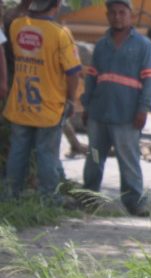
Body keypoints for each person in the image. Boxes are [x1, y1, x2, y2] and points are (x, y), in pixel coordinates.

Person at [80, 0, 151, 216]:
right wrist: (86, 105)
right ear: (107, 15)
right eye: (113, 13)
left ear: (130, 15)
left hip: (127, 115)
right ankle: (90, 197)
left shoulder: (143, 46)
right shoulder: (102, 45)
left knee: (128, 158)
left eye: (122, 12)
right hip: (99, 113)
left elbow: (150, 80)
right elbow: (92, 77)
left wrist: (143, 109)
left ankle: (134, 202)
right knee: (95, 156)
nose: (117, 16)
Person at [4, 0, 80, 200]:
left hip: (20, 106)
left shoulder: (17, 27)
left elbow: (15, 16)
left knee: (18, 152)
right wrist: (70, 100)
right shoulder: (60, 34)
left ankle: (11, 195)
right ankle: (49, 198)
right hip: (48, 108)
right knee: (46, 154)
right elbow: (73, 72)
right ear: (55, 7)